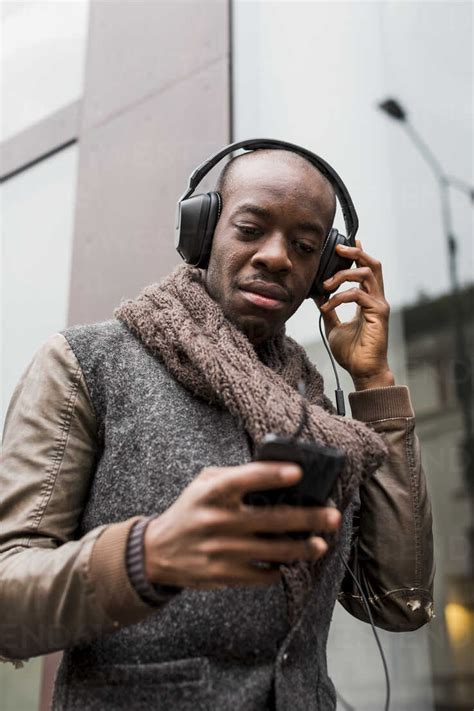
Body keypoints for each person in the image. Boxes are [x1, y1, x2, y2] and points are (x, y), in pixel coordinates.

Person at [0, 146, 434, 710]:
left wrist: (373, 381)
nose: (277, 257)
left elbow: (398, 602)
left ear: (325, 271)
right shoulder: (88, 363)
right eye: (251, 228)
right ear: (202, 231)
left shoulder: (321, 413)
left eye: (305, 248)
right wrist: (145, 556)